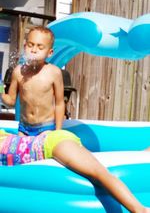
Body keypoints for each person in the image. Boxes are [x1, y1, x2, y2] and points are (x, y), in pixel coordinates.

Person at [1, 26, 150, 213]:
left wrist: (57, 130)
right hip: (24, 130)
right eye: (30, 45)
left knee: (92, 164)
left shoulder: (53, 72)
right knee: (84, 158)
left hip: (47, 129)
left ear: (50, 52)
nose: (34, 49)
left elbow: (59, 103)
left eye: (39, 46)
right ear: (24, 46)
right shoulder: (18, 72)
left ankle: (140, 200)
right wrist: (1, 91)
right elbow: (9, 100)